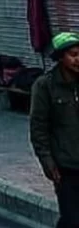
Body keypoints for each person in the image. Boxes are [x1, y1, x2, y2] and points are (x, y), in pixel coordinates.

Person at [31, 32, 79, 227]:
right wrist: (48, 162)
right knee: (72, 218)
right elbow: (38, 128)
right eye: (73, 55)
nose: (78, 59)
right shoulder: (45, 86)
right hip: (66, 166)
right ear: (60, 58)